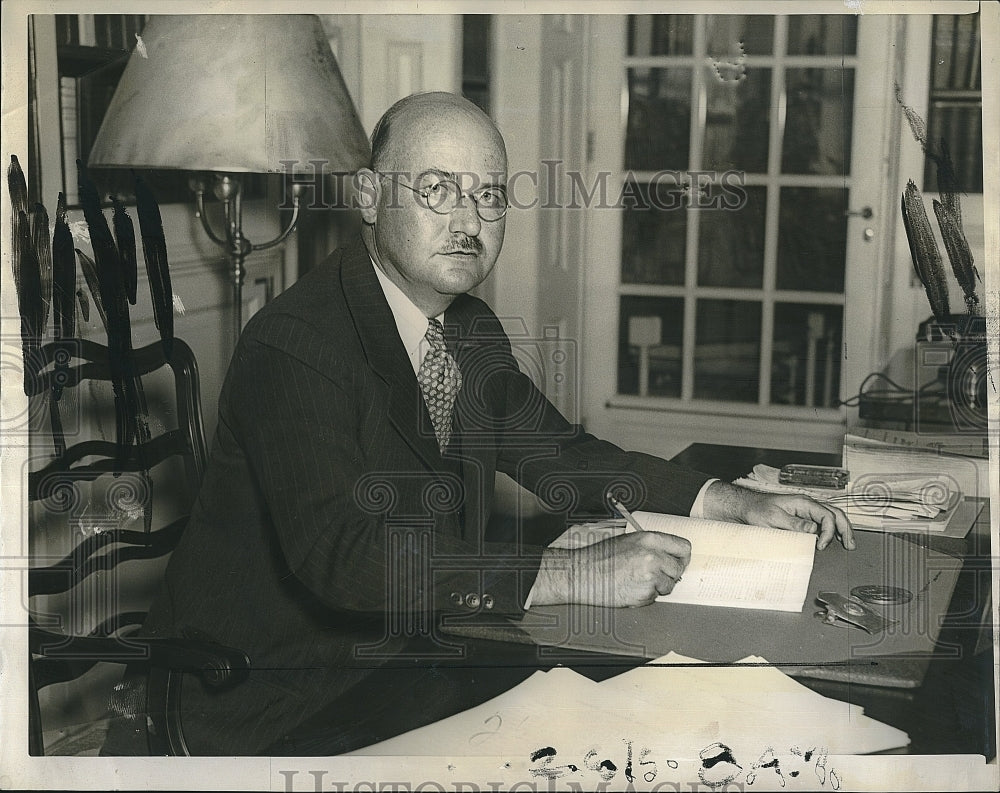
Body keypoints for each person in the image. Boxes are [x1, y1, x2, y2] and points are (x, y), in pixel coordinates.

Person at [102, 91, 854, 756]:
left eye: (490, 195)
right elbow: (347, 557)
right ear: (368, 195)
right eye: (437, 189)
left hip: (410, 654)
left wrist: (729, 499)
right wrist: (568, 573)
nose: (469, 220)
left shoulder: (465, 327)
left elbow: (559, 453)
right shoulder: (296, 345)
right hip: (278, 700)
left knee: (665, 710)